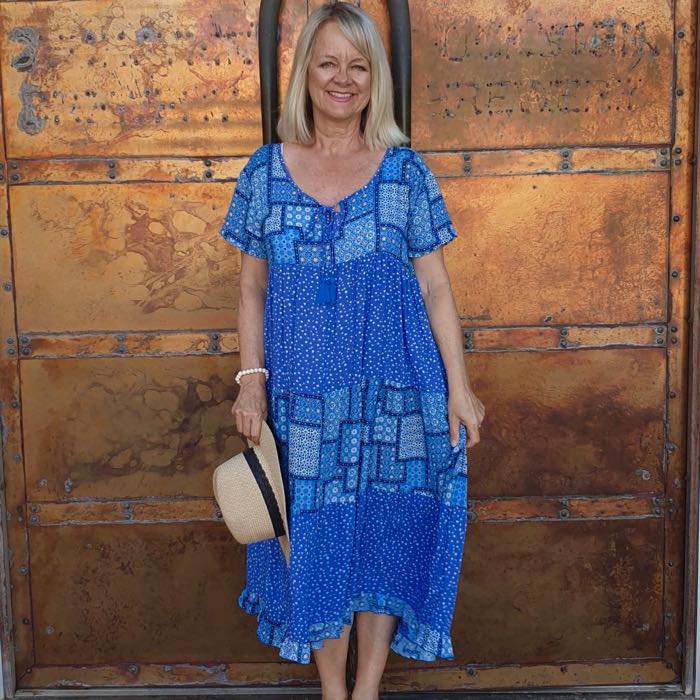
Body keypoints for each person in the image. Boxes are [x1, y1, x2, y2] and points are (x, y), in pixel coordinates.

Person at [219, 2, 485, 699]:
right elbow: (251, 288)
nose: (343, 78)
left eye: (358, 66)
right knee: (315, 542)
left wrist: (459, 386)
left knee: (381, 537)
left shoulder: (405, 173)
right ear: (305, 73)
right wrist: (251, 383)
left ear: (376, 80)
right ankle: (334, 692)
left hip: (396, 390)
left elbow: (434, 287)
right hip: (303, 400)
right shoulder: (265, 172)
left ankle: (367, 690)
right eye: (328, 62)